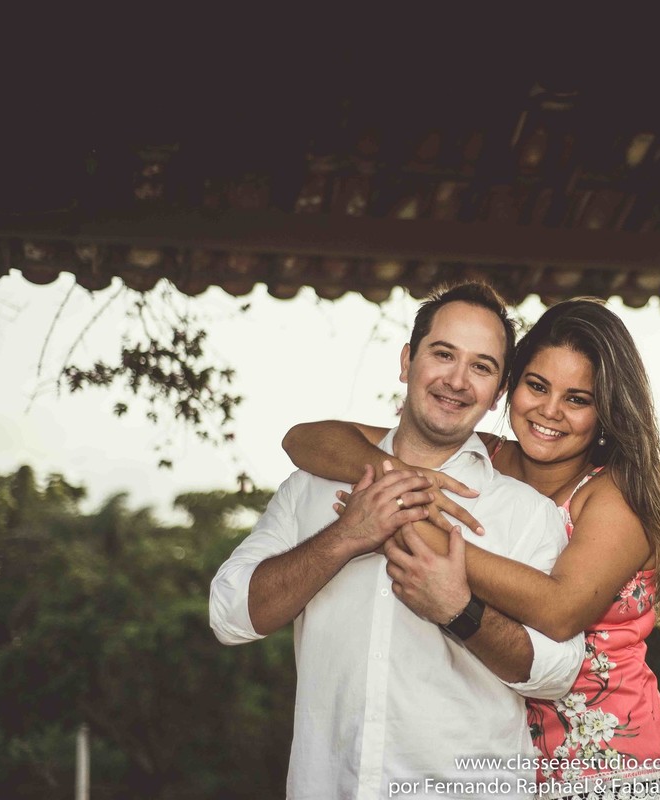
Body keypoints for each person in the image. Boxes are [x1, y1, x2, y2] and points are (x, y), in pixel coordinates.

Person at [284, 298, 660, 799]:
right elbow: (306, 439)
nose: (550, 411)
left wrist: (410, 528)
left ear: (607, 411)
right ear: (508, 389)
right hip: (507, 762)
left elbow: (559, 611)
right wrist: (397, 479)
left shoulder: (615, 496)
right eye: (536, 386)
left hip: (607, 764)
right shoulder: (483, 461)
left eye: (578, 399)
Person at [210, 282, 584, 800]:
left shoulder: (528, 514)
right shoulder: (313, 486)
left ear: (499, 390)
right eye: (443, 354)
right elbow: (229, 615)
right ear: (407, 361)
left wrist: (460, 612)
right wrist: (344, 537)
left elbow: (557, 675)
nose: (456, 380)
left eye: (481, 366)